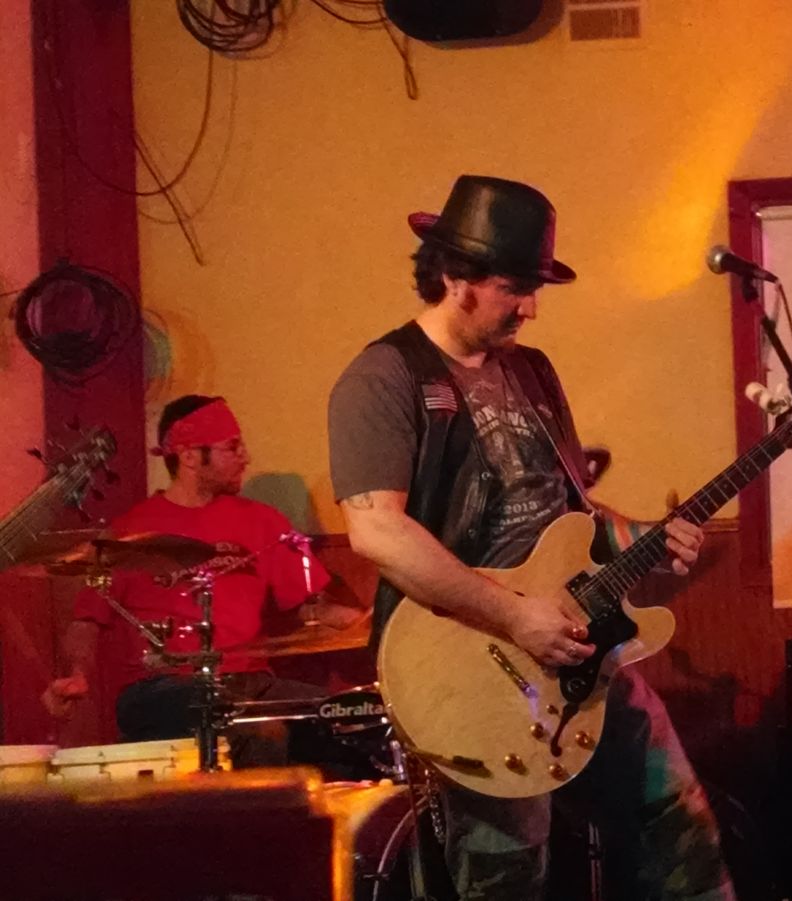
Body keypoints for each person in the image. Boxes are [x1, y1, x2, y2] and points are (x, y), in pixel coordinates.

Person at [327, 174, 736, 901]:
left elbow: (572, 515)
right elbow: (376, 530)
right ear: (456, 276)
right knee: (508, 874)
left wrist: (648, 535)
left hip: (575, 649)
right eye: (515, 287)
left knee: (679, 828)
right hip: (468, 663)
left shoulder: (533, 372)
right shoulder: (385, 376)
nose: (531, 307)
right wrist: (515, 616)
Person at [42, 395, 364, 766]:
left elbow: (312, 607)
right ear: (190, 456)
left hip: (252, 683)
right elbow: (86, 621)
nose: (245, 457)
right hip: (162, 688)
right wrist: (76, 674)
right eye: (232, 447)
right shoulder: (129, 533)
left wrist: (370, 624)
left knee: (347, 719)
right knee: (258, 728)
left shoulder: (263, 522)